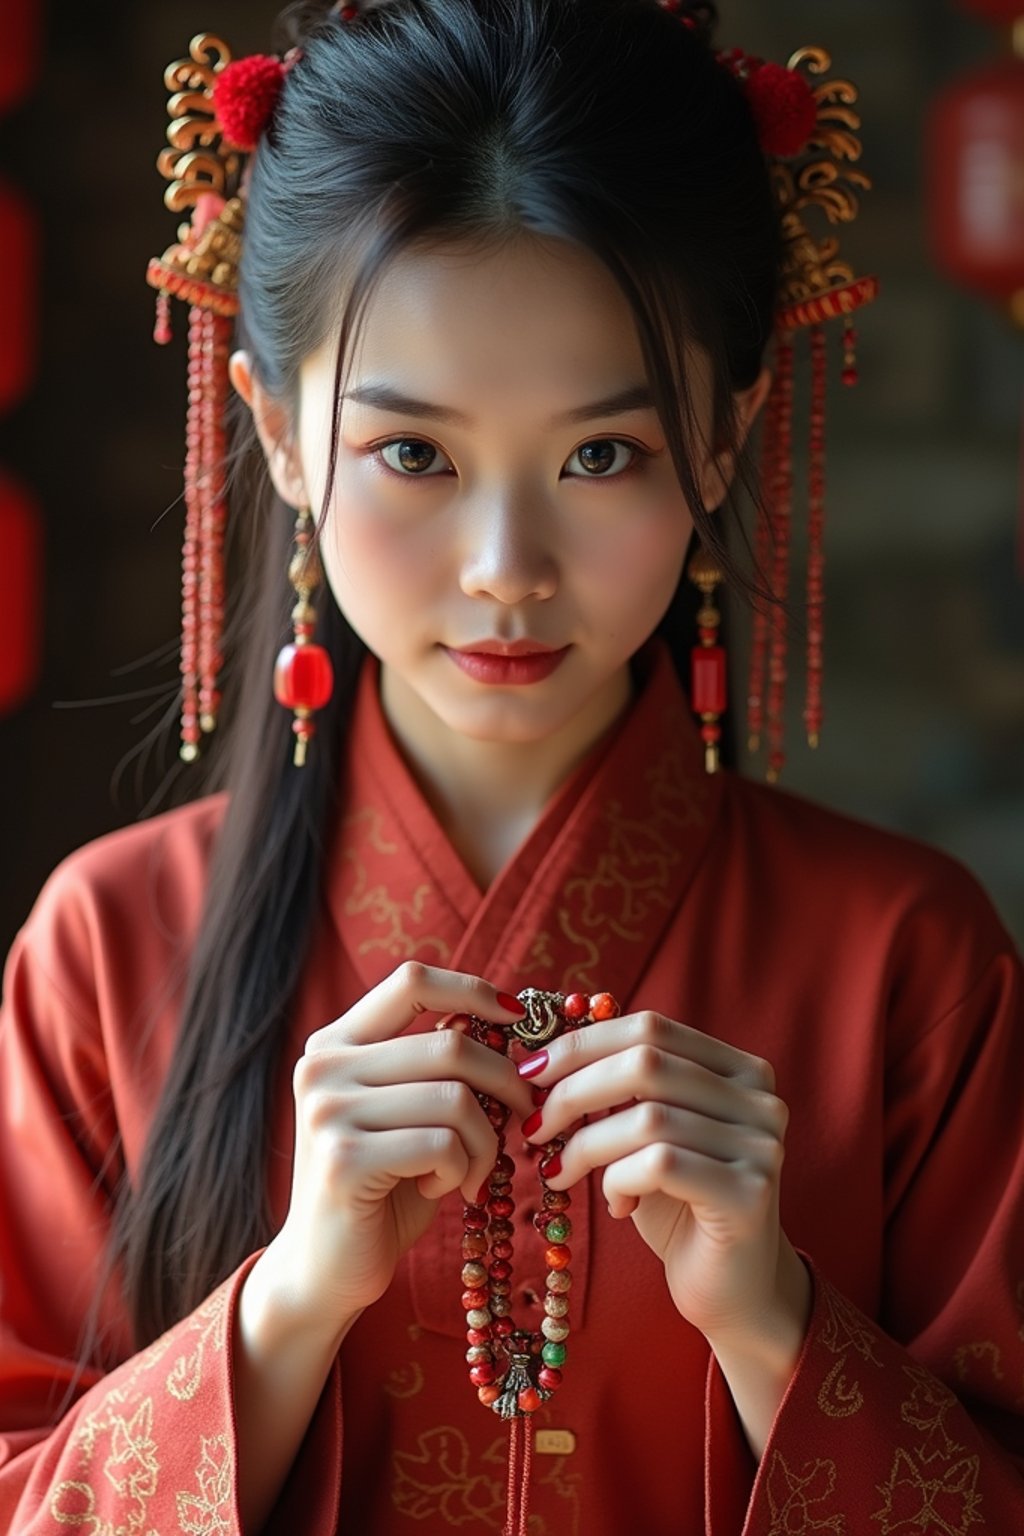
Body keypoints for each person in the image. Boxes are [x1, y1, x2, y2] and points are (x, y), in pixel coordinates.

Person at [1, 0, 1021, 1532]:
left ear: (728, 430)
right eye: (414, 453)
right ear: (280, 431)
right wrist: (287, 1304)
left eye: (600, 454)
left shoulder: (909, 961)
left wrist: (770, 1315)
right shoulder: (106, 949)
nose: (506, 569)